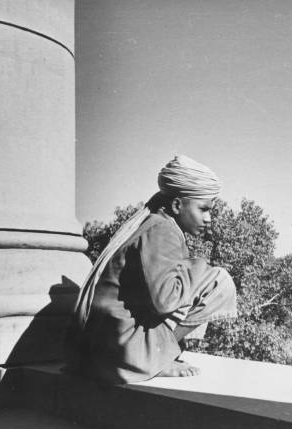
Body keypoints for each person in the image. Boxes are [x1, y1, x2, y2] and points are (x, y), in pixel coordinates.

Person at [66, 155, 237, 384]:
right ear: (177, 205)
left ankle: (160, 352)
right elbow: (166, 300)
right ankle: (160, 357)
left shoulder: (157, 224)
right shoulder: (161, 230)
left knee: (202, 279)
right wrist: (199, 265)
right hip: (120, 348)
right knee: (219, 281)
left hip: (107, 344)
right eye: (204, 209)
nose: (209, 218)